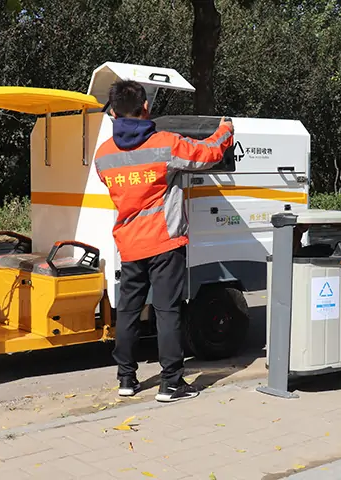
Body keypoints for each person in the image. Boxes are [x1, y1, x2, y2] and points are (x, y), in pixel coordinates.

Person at [93, 80, 234, 403]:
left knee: (128, 311)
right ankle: (171, 383)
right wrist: (225, 130)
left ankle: (126, 378)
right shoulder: (165, 144)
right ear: (146, 107)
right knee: (167, 311)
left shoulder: (103, 156)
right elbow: (207, 154)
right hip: (164, 242)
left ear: (113, 112)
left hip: (129, 244)